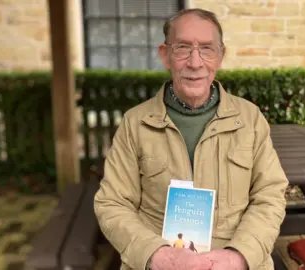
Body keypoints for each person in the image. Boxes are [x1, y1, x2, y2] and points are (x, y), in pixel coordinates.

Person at [93, 8, 289, 270]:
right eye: (183, 48)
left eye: (207, 49)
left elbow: (270, 196)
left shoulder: (250, 119)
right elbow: (112, 203)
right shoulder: (135, 124)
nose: (195, 62)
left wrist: (239, 256)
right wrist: (157, 255)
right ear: (166, 55)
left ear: (220, 56)